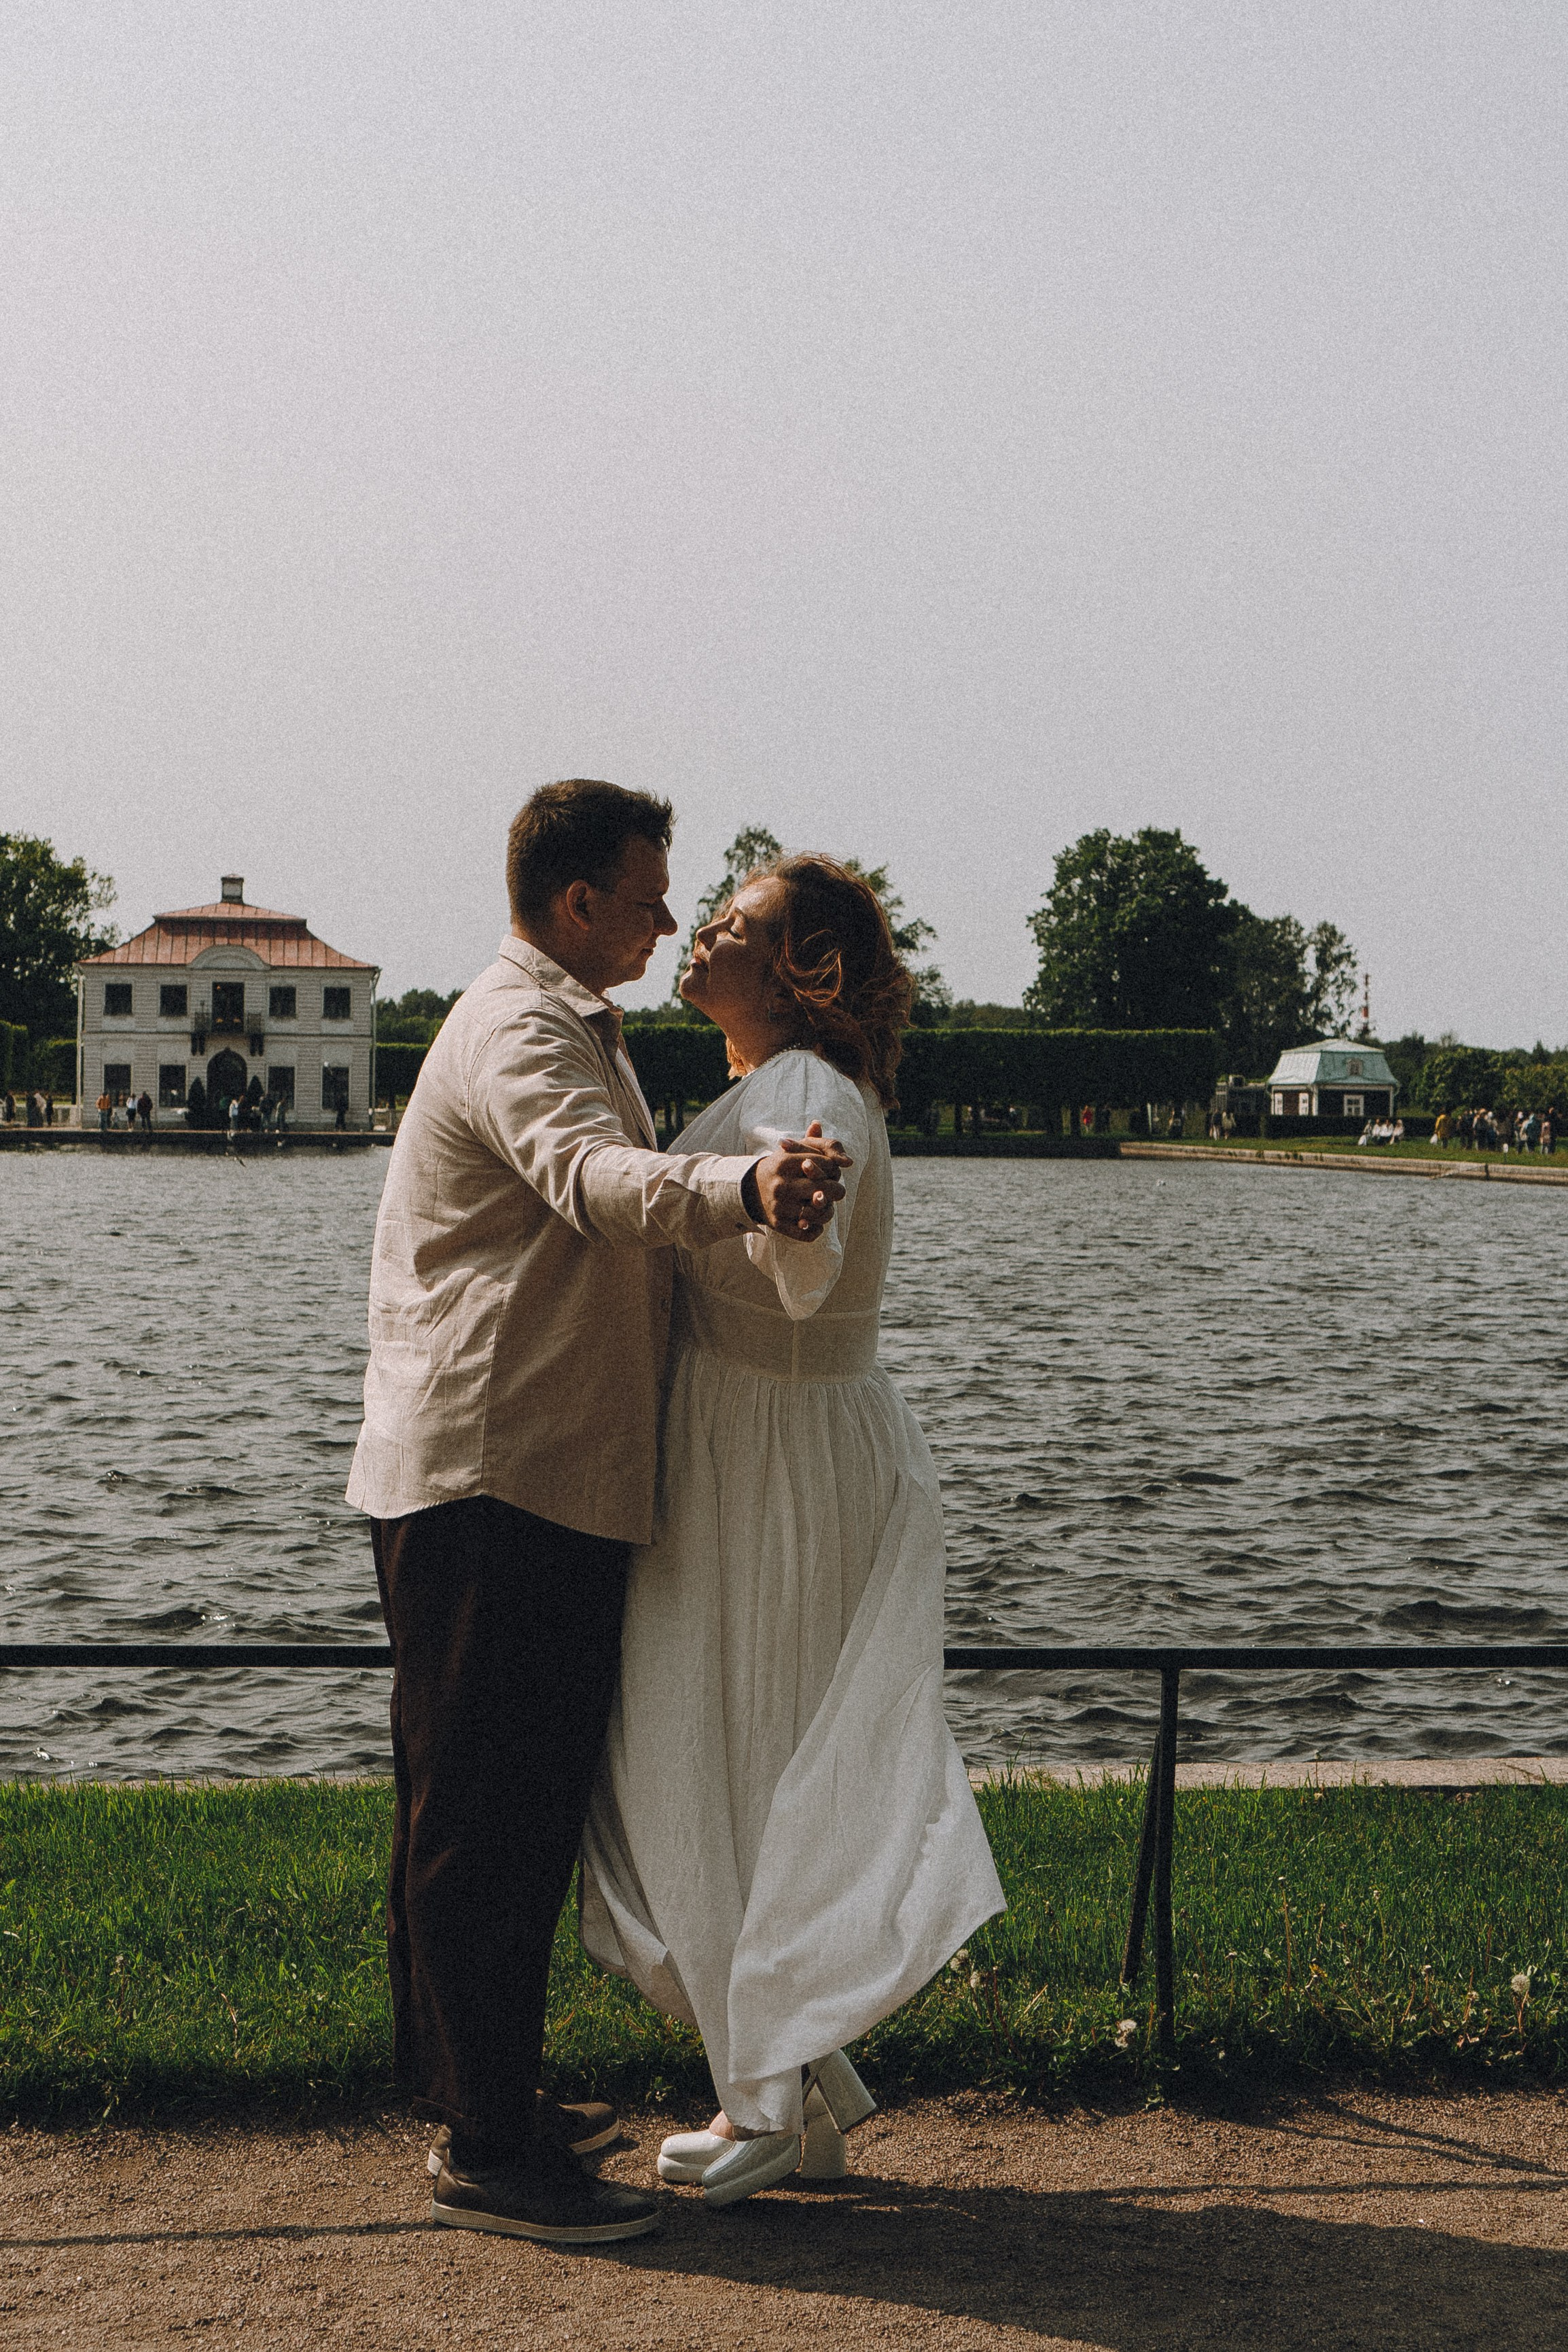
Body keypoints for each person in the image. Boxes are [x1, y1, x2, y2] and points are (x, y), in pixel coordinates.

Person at [346, 781, 852, 2248]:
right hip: (496, 1474)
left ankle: (480, 2099)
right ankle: (488, 2149)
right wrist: (747, 1186)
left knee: (494, 1811)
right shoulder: (521, 1032)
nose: (664, 920)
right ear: (577, 903)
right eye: (645, 897)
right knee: (485, 1823)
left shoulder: (562, 1023)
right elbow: (592, 1181)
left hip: (527, 1473)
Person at [583, 855, 1004, 2209]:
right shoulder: (768, 1087)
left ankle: (760, 2098)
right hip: (758, 1435)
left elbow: (802, 1245)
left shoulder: (805, 1098)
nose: (705, 933)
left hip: (772, 1444)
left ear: (805, 969)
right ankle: (797, 2082)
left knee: (736, 1751)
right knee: (732, 1751)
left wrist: (791, 1207)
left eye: (741, 925)